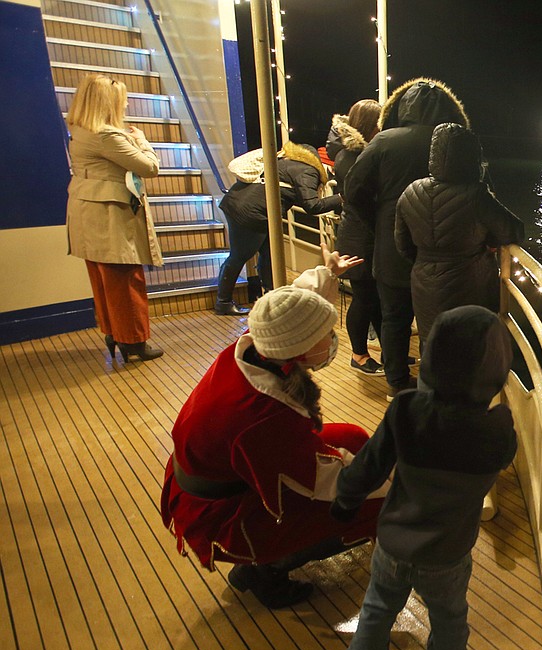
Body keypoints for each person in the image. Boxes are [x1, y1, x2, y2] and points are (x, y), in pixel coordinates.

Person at [160, 254, 388, 609]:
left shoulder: (260, 345)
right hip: (221, 514)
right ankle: (263, 568)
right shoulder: (260, 415)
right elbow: (320, 481)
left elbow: (291, 307)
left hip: (220, 475)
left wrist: (327, 274)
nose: (330, 339)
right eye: (324, 335)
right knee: (377, 501)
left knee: (354, 439)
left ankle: (262, 562)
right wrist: (400, 484)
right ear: (297, 350)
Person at [330, 305, 517, 650]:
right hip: (447, 554)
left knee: (377, 612)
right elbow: (502, 453)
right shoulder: (496, 433)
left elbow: (367, 467)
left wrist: (346, 501)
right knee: (449, 621)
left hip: (394, 543)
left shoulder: (406, 410)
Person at [345, 77, 469, 397]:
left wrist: (377, 221)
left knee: (393, 317)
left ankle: (396, 383)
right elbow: (478, 189)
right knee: (437, 321)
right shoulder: (457, 141)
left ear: (402, 107)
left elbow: (354, 189)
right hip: (443, 249)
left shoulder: (384, 141)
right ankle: (434, 385)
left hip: (390, 246)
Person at [65, 73, 165, 362]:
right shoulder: (106, 136)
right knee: (125, 278)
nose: (126, 104)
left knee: (102, 278)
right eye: (121, 100)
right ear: (107, 103)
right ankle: (133, 342)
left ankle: (113, 332)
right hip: (110, 214)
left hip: (86, 210)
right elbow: (149, 167)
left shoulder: (79, 129)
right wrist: (143, 141)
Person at [396, 123, 524, 349]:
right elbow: (514, 231)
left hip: (423, 284)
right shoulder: (475, 194)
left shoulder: (411, 191)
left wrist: (428, 260)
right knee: (468, 348)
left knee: (433, 345)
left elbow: (403, 245)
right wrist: (490, 243)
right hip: (468, 286)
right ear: (470, 156)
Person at [214, 141, 342, 315]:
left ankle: (270, 295)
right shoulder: (308, 171)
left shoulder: (290, 161)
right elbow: (312, 206)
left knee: (269, 255)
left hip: (243, 204)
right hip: (251, 212)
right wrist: (342, 197)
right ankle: (223, 303)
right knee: (239, 256)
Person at [328, 99, 386, 375]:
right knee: (363, 298)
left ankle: (386, 351)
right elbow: (361, 199)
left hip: (359, 234)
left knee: (372, 297)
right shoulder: (352, 157)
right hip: (359, 237)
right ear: (369, 125)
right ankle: (359, 355)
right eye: (379, 123)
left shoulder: (350, 154)